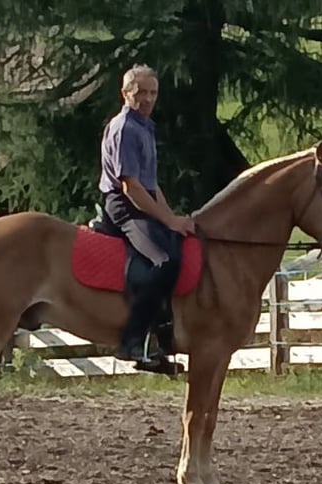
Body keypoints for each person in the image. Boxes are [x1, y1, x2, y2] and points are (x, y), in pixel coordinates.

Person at [97, 64, 196, 364]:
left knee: (176, 249)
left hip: (139, 199)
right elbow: (132, 188)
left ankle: (162, 337)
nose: (149, 99)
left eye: (153, 93)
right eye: (141, 93)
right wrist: (167, 220)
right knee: (162, 262)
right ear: (125, 93)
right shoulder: (126, 128)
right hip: (124, 206)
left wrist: (173, 219)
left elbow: (152, 186)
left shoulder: (143, 126)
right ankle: (133, 341)